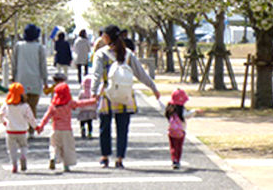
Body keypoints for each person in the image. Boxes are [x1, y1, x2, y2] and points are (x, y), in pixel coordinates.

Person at [92, 24, 161, 169]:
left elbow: (96, 75)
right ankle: (120, 158)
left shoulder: (101, 54)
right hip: (125, 95)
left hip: (107, 94)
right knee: (122, 128)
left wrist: (93, 92)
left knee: (105, 127)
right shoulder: (128, 53)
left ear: (107, 37)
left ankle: (105, 157)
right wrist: (153, 87)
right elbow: (140, 73)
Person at [36, 82, 96, 172]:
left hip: (55, 129)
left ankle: (53, 157)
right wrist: (93, 100)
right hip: (67, 130)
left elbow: (46, 117)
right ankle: (66, 165)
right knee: (67, 148)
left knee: (54, 145)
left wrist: (40, 126)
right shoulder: (69, 103)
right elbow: (81, 103)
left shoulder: (53, 106)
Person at [12, 23, 48, 137]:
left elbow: (14, 64)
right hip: (35, 81)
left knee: (21, 106)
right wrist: (45, 81)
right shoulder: (39, 47)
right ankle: (31, 130)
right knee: (32, 107)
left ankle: (22, 128)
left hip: (21, 81)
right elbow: (43, 66)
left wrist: (13, 78)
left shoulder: (18, 46)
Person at [0, 82, 38, 173]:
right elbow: (30, 118)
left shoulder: (7, 105)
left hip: (10, 130)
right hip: (22, 131)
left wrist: (4, 122)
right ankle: (23, 156)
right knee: (23, 146)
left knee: (12, 149)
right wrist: (36, 127)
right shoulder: (25, 106)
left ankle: (14, 164)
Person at [162, 89, 199, 169]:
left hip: (171, 131)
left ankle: (173, 160)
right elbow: (187, 115)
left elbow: (163, 110)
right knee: (179, 147)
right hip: (181, 132)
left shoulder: (170, 109)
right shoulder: (181, 110)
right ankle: (177, 160)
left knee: (173, 147)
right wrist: (194, 111)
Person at [77, 74, 97, 139]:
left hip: (83, 110)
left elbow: (79, 100)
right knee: (89, 122)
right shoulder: (92, 93)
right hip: (91, 110)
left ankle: (82, 129)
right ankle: (90, 132)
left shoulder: (82, 92)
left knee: (82, 121)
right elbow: (95, 101)